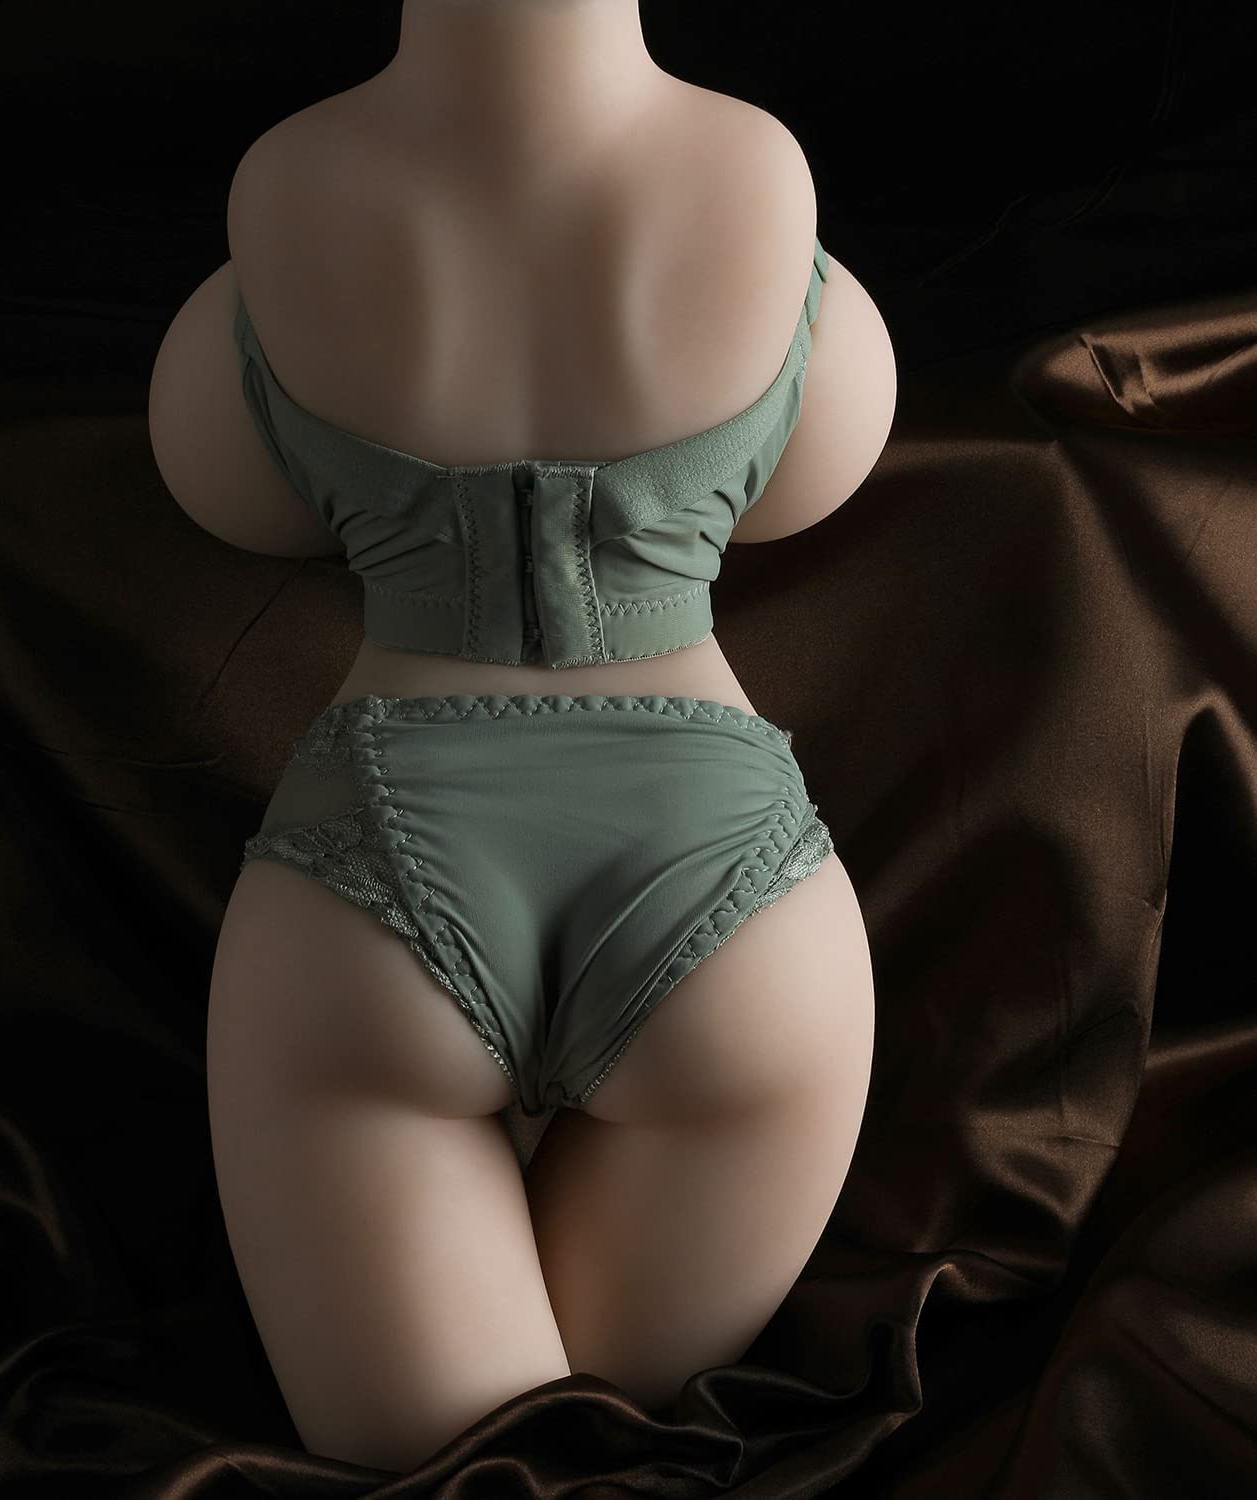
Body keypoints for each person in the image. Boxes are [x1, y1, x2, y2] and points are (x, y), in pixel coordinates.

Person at [148, 0, 894, 1474]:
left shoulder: (293, 194)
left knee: (470, 1463)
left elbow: (224, 477)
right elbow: (822, 449)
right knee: (581, 1456)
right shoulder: (759, 182)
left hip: (374, 885)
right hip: (737, 910)